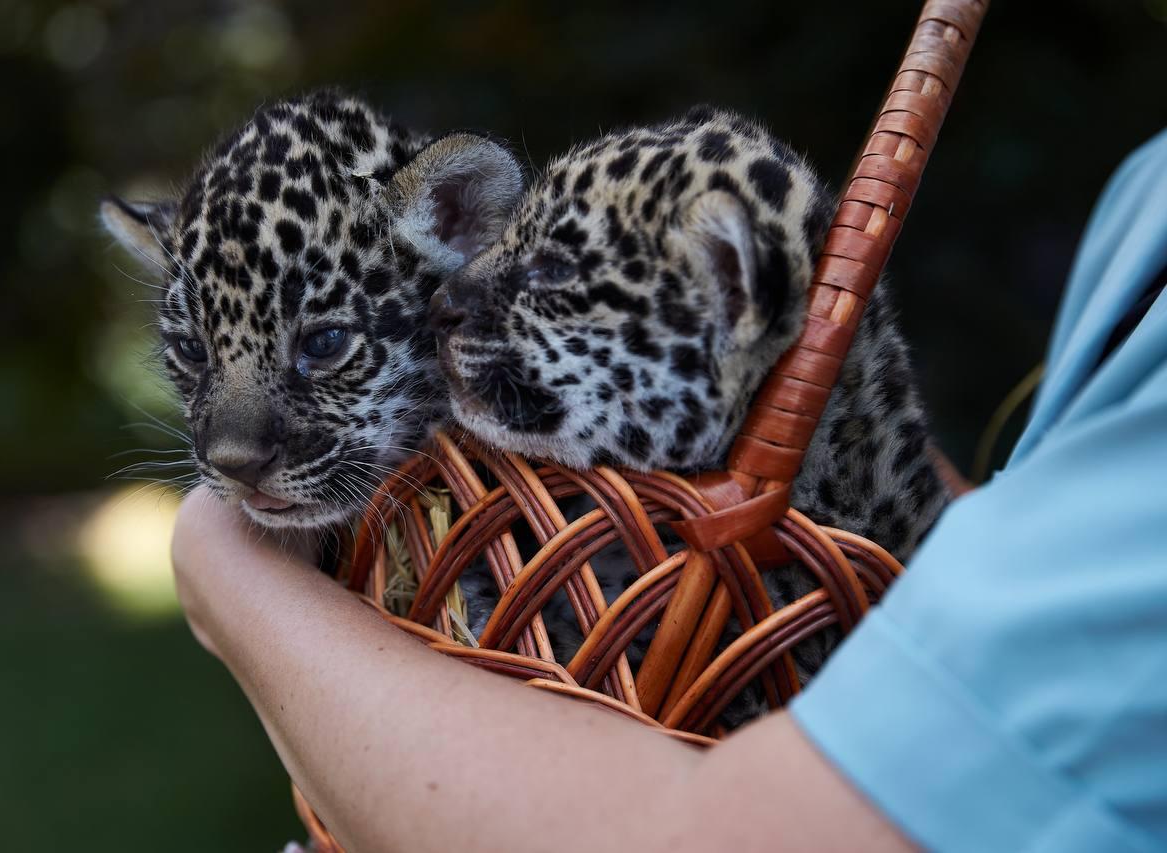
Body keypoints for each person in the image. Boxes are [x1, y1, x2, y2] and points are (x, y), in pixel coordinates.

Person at [170, 128, 1167, 852]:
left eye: (550, 272)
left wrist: (227, 580)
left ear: (728, 293)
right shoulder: (1142, 197)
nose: (454, 302)